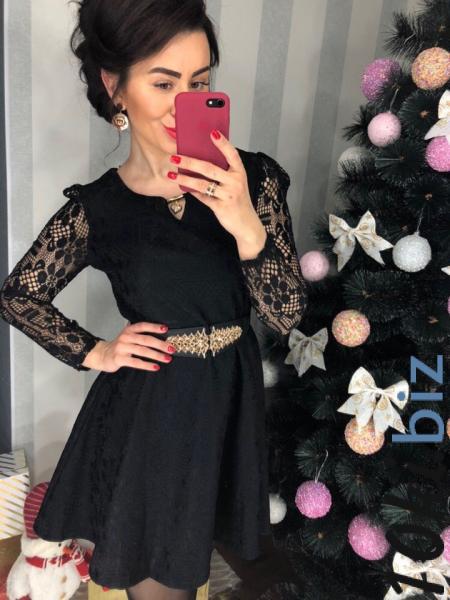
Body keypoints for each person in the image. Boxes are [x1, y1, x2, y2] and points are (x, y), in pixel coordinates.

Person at [0, 1, 308, 599]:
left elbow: (287, 313)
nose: (182, 103)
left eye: (199, 83)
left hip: (230, 397)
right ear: (115, 87)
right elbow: (19, 295)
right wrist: (97, 351)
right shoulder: (99, 208)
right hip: (151, 413)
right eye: (163, 83)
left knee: (215, 542)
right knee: (158, 574)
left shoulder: (254, 180)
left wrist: (245, 223)